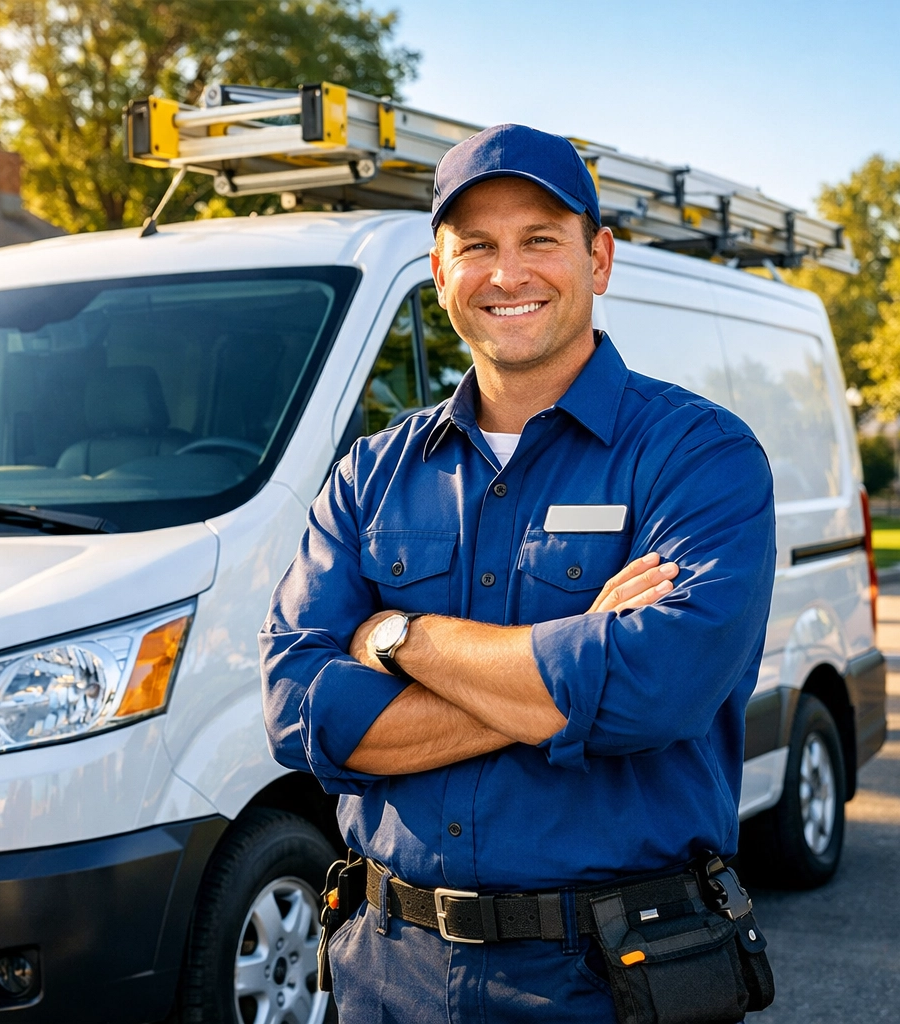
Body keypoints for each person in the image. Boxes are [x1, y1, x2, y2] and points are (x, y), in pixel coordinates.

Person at [260, 124, 777, 1022]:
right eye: (478, 247)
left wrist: (397, 638)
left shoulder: (700, 456)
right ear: (439, 273)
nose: (509, 273)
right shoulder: (370, 475)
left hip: (615, 980)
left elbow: (654, 690)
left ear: (600, 258)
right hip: (388, 977)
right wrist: (568, 668)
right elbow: (301, 712)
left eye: (540, 239)